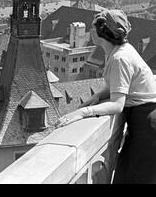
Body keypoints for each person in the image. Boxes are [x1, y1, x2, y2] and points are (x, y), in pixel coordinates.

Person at [56, 10, 156, 184]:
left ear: (100, 33)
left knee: (133, 177)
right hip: (144, 120)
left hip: (145, 124)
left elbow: (117, 104)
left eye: (93, 28)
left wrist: (83, 112)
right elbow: (118, 85)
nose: (90, 31)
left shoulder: (119, 58)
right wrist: (98, 96)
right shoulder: (121, 51)